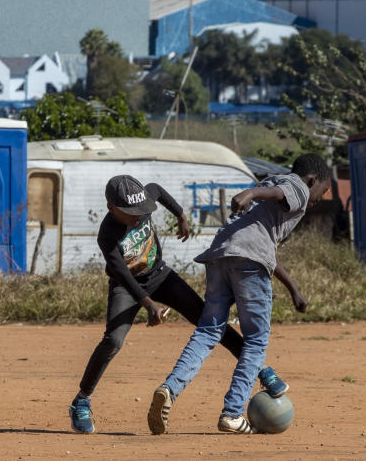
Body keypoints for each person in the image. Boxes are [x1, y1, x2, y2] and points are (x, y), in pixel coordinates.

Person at [68, 174, 297, 434]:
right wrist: (149, 305)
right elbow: (121, 273)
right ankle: (81, 401)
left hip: (161, 275)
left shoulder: (146, 197)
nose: (138, 216)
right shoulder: (107, 235)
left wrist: (181, 216)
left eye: (141, 210)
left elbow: (157, 190)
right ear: (111, 208)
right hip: (128, 287)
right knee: (113, 340)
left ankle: (260, 368)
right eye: (130, 212)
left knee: (210, 321)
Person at [147, 153, 331, 435]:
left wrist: (293, 287)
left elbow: (263, 244)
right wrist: (252, 192)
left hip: (221, 255)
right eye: (324, 190)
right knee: (256, 340)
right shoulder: (298, 187)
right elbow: (283, 194)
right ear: (313, 180)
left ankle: (169, 388)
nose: (321, 197)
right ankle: (232, 413)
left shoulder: (273, 184)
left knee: (208, 331)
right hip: (248, 260)